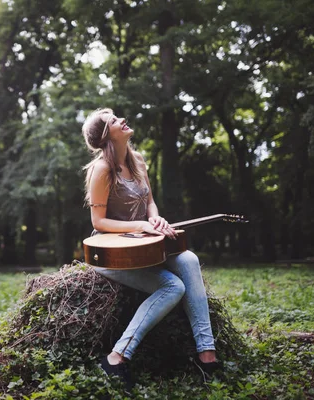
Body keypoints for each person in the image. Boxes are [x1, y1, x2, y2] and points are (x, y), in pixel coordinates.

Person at [82, 108, 220, 390]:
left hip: (145, 246)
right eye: (113, 121)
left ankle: (207, 355)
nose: (121, 119)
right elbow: (98, 221)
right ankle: (117, 357)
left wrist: (154, 218)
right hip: (110, 253)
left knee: (190, 260)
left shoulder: (139, 161)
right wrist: (140, 226)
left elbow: (150, 203)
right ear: (108, 135)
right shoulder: (101, 170)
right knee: (173, 288)